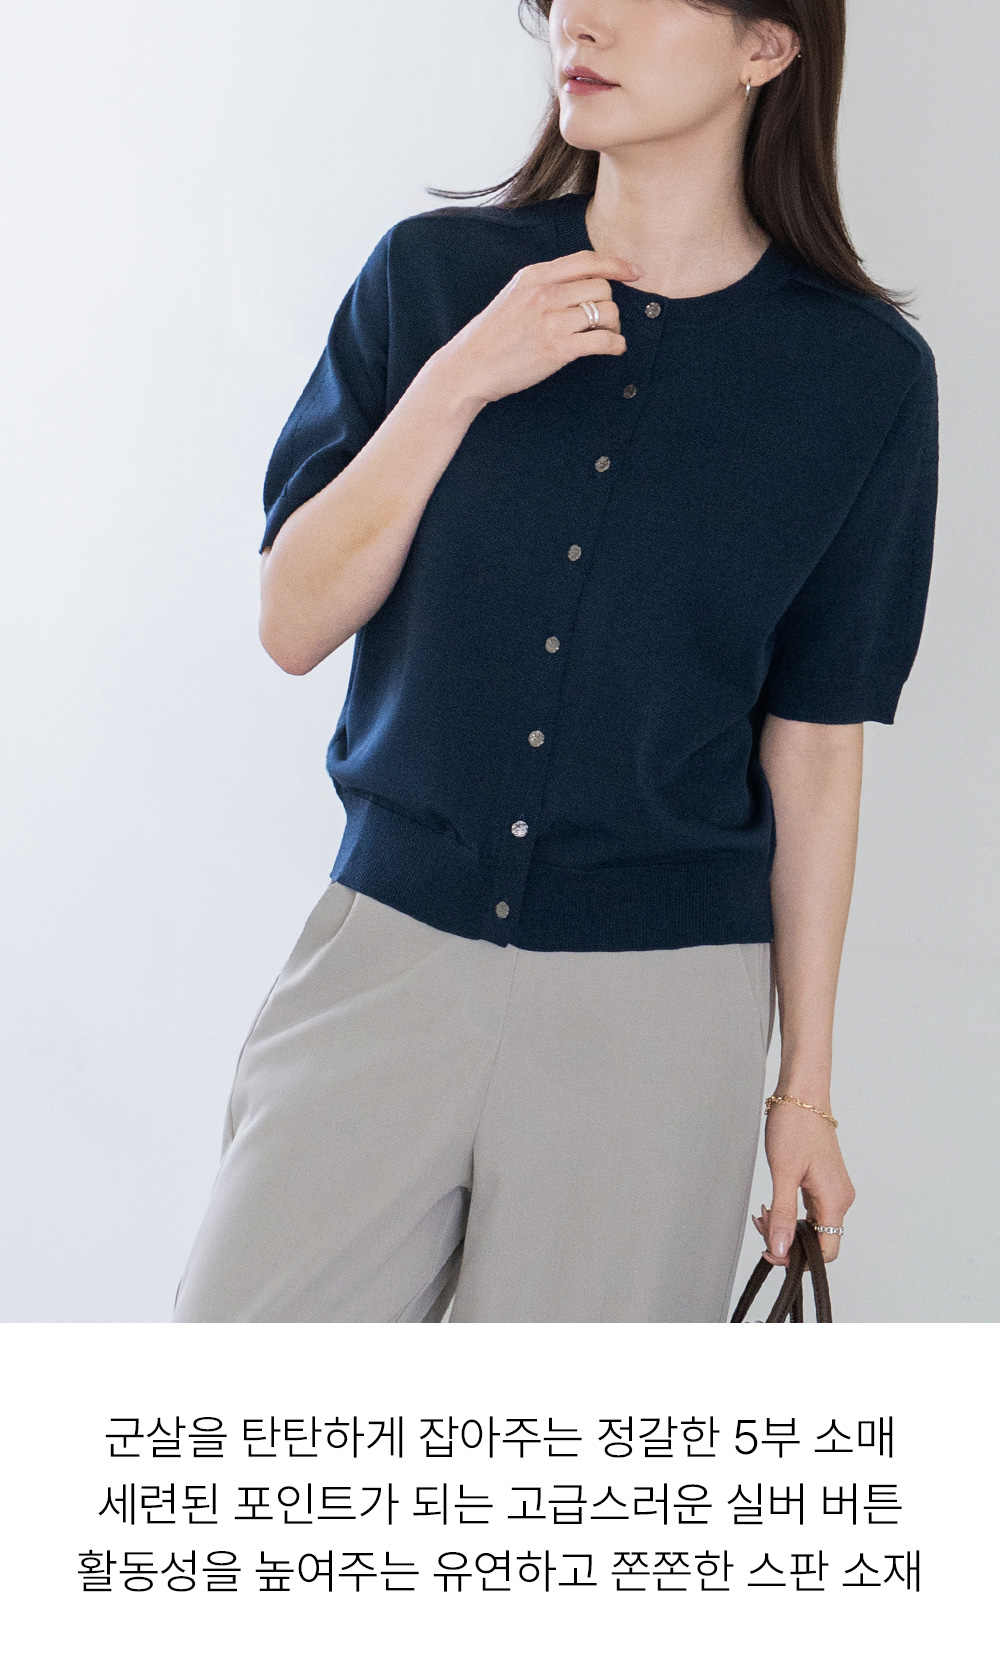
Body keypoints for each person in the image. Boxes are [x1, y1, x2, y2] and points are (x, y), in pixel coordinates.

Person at [172, 0, 938, 1323]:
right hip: (386, 955)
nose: (584, 17)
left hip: (659, 1018)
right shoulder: (433, 280)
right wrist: (459, 380)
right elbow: (292, 620)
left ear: (767, 47)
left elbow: (815, 744)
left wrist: (802, 1091)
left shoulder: (862, 376)